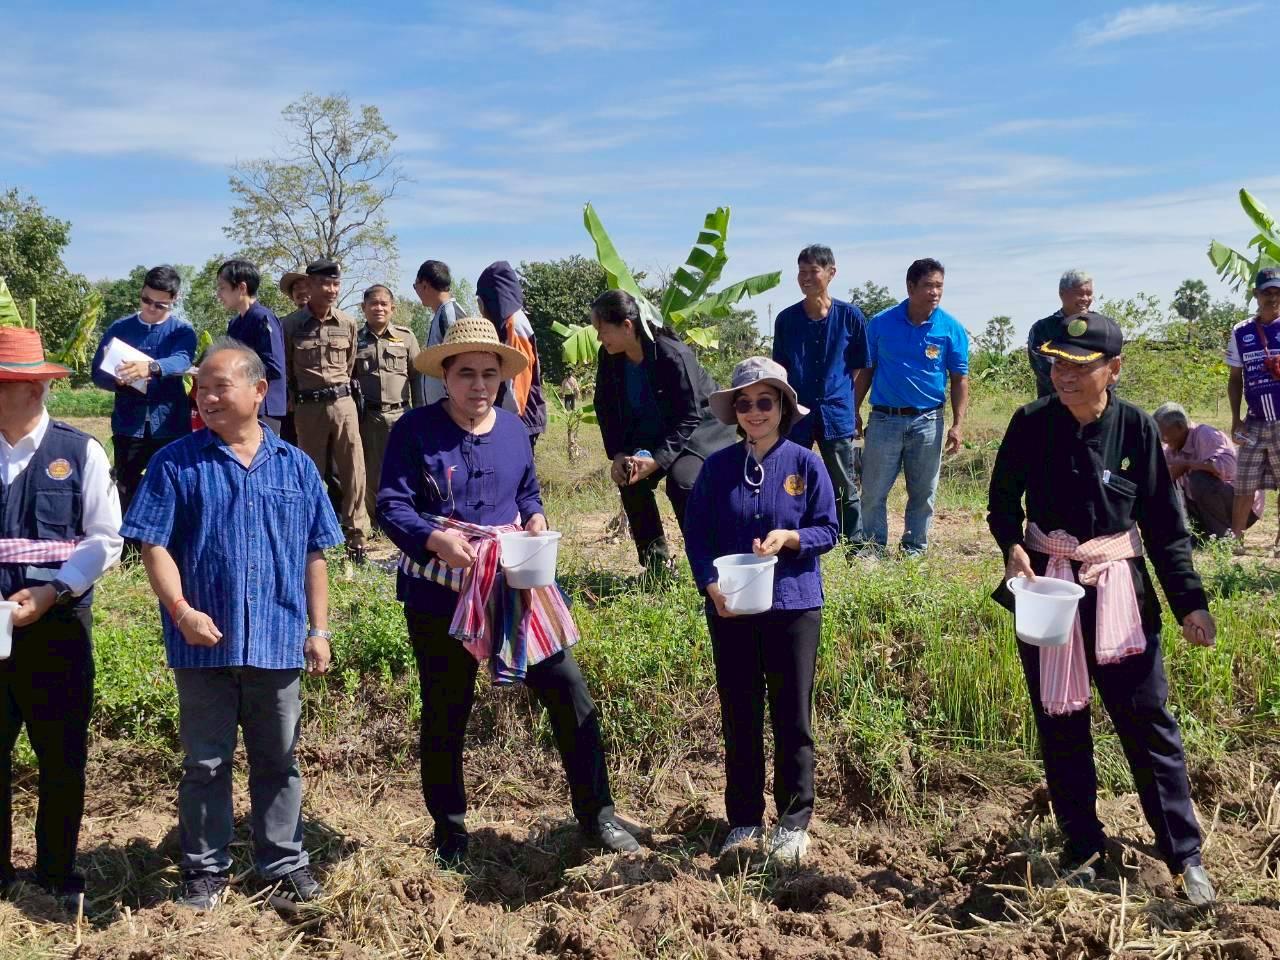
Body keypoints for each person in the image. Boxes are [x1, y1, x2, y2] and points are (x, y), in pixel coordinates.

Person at [377, 317, 639, 866]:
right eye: (466, 372)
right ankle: (449, 832)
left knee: (568, 689)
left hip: (513, 583)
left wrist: (537, 520)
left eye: (489, 374)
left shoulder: (514, 429)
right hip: (439, 589)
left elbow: (527, 491)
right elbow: (392, 505)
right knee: (446, 708)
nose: (478, 384)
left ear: (501, 378)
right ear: (444, 377)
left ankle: (598, 815)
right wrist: (433, 539)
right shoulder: (414, 431)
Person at [988, 311, 1217, 906]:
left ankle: (1184, 857)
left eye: (1078, 366)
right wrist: (1012, 544)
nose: (1062, 374)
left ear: (1112, 370)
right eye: (1056, 362)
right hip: (1049, 587)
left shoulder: (1136, 429)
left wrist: (1190, 602)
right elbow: (1000, 501)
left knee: (1148, 720)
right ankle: (1082, 849)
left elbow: (1166, 525)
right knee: (1061, 720)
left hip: (1119, 586)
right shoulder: (1031, 423)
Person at [120, 338, 344, 913]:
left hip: (278, 637)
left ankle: (284, 865)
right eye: (202, 387)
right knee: (206, 763)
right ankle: (203, 872)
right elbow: (154, 544)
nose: (209, 397)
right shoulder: (176, 462)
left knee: (279, 760)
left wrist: (319, 630)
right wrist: (182, 612)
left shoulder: (296, 466)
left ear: (258, 391)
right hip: (201, 645)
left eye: (222, 386)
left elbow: (315, 554)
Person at [683, 358, 838, 867]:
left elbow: (829, 530)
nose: (754, 412)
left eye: (764, 402)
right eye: (744, 404)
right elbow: (698, 533)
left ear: (783, 407)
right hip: (731, 607)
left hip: (794, 604)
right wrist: (708, 583)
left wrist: (793, 538)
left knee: (793, 715)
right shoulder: (717, 467)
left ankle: (793, 822)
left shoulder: (805, 463)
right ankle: (744, 819)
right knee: (740, 715)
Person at [0, 329, 122, 911]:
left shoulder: (80, 453)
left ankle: (55, 870)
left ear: (35, 385)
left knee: (61, 754)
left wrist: (54, 590)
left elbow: (105, 540)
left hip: (57, 627)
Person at [591, 289, 737, 572]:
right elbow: (605, 407)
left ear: (627, 326)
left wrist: (658, 460)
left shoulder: (672, 354)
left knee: (682, 482)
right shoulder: (609, 357)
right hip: (652, 433)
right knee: (629, 478)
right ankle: (657, 564)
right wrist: (619, 453)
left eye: (602, 330)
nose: (599, 338)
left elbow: (690, 415)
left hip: (699, 432)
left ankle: (705, 563)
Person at [855, 258, 969, 554]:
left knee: (923, 493)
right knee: (873, 491)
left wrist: (958, 424)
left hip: (929, 422)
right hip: (884, 420)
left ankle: (914, 550)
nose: (935, 292)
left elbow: (959, 380)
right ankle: (873, 548)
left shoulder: (951, 328)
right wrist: (853, 409)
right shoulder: (880, 324)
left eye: (939, 286)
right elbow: (866, 371)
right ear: (910, 286)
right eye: (928, 285)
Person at [90, 265, 197, 551]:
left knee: (173, 484)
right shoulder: (120, 328)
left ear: (175, 299)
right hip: (129, 422)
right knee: (126, 484)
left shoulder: (182, 331)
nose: (150, 308)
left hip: (169, 423)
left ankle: (172, 547)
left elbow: (183, 361)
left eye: (159, 304)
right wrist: (121, 381)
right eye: (146, 300)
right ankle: (129, 551)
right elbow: (97, 373)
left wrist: (150, 368)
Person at [772, 244, 869, 545]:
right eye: (801, 272)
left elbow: (859, 366)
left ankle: (853, 545)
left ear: (831, 273)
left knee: (843, 482)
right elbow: (780, 370)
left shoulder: (850, 316)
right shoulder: (787, 320)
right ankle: (796, 538)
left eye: (813, 271)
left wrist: (844, 398)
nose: (806, 278)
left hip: (836, 413)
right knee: (792, 479)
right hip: (797, 413)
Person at [282, 260, 370, 563]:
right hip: (308, 407)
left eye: (335, 284)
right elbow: (287, 369)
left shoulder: (347, 323)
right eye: (324, 284)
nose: (331, 290)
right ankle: (309, 539)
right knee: (309, 473)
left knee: (353, 471)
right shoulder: (291, 325)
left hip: (343, 404)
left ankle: (357, 540)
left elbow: (348, 366)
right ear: (310, 285)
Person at [355, 284, 424, 524]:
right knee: (371, 473)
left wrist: (419, 414)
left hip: (401, 414)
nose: (378, 308)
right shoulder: (354, 339)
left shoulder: (406, 337)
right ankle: (377, 522)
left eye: (384, 304)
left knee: (403, 469)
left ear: (392, 308)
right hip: (369, 417)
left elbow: (417, 377)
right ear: (363, 308)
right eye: (373, 303)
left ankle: (406, 517)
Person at [1227, 266, 1280, 554]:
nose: (1272, 298)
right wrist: (1236, 419)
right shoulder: (1241, 332)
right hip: (1255, 421)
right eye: (1266, 292)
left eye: (1277, 292)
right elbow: (1235, 380)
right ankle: (1236, 541)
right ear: (1255, 294)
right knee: (1244, 482)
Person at [1153, 401, 1261, 543]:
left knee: (1199, 479)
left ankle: (1224, 537)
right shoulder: (1172, 447)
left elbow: (1229, 467)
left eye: (1163, 434)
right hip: (1208, 506)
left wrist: (1187, 465)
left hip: (1243, 507)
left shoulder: (1206, 435)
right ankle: (1191, 534)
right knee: (1164, 483)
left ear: (1179, 427)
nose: (1162, 439)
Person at [476, 261, 546, 450]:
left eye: (480, 302)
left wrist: (502, 425)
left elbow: (517, 385)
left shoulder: (514, 325)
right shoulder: (508, 324)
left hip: (518, 421)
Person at [216, 259, 288, 435]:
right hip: (241, 404)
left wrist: (235, 372)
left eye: (222, 287)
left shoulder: (263, 318)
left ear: (241, 288)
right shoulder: (234, 324)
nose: (218, 294)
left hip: (264, 408)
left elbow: (274, 367)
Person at [1027, 270, 1095, 398]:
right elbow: (1046, 370)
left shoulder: (1101, 327)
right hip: (1054, 407)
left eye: (1089, 294)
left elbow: (1110, 367)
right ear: (1062, 294)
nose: (1085, 299)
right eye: (1079, 294)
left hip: (1094, 408)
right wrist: (1077, 393)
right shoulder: (1042, 329)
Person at [412, 259, 464, 404]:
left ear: (424, 285)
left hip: (451, 411)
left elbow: (459, 362)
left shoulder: (449, 315)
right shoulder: (441, 314)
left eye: (415, 286)